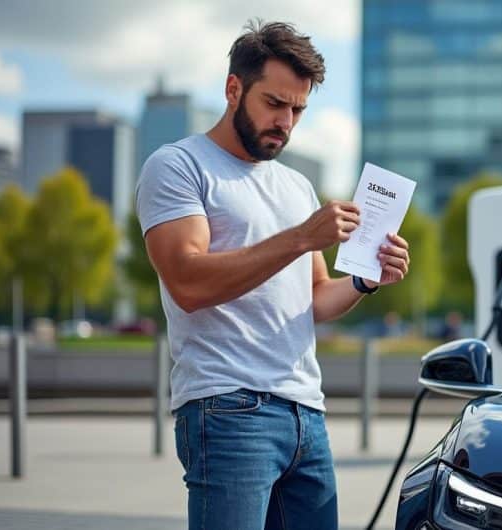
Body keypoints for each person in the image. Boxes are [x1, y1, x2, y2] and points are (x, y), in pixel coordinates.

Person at [135, 20, 411, 530]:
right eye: (274, 103)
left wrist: (365, 279)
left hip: (306, 412)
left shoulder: (296, 186)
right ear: (233, 89)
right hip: (227, 407)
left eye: (298, 110)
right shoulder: (178, 165)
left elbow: (315, 298)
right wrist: (301, 238)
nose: (286, 121)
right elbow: (188, 283)